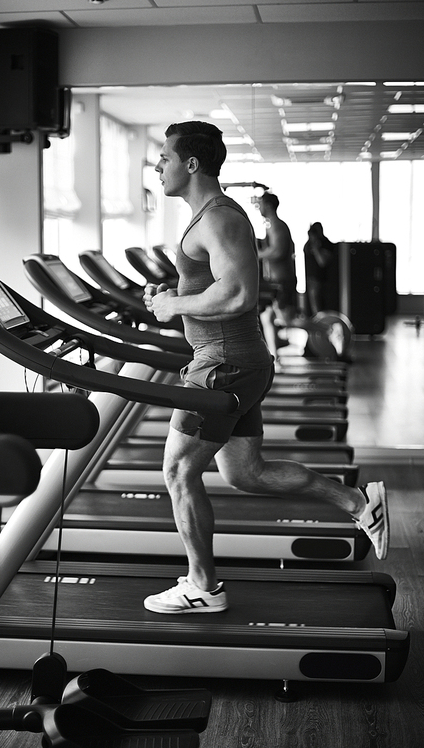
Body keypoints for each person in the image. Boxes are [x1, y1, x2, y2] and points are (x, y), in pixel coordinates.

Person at [142, 120, 389, 614]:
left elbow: (238, 293)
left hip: (223, 366)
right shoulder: (209, 218)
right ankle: (360, 504)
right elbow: (217, 286)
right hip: (235, 362)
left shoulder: (217, 218)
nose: (158, 167)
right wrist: (174, 297)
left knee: (177, 469)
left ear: (191, 164)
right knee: (246, 472)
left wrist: (176, 308)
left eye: (164, 158)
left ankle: (203, 587)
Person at [255, 192, 298, 359]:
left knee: (287, 320)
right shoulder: (271, 225)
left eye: (261, 204)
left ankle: (327, 330)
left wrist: (257, 254)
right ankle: (274, 359)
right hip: (274, 281)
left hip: (282, 280)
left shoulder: (277, 226)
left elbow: (278, 251)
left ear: (269, 206)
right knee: (266, 318)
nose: (259, 208)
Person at [304, 222, 335, 316]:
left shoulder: (325, 244)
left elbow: (322, 262)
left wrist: (316, 247)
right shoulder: (308, 245)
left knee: (320, 311)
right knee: (312, 310)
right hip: (310, 280)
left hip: (322, 281)